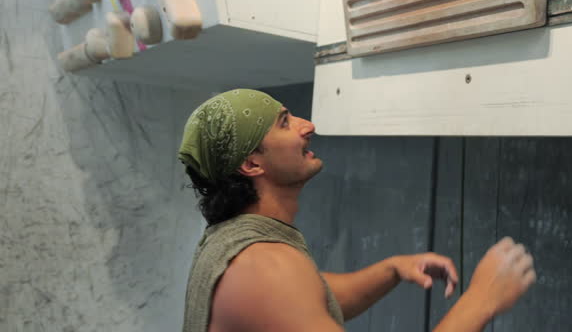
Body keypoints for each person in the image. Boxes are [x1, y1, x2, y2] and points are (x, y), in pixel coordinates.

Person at [178, 89, 536, 332]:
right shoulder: (263, 267)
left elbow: (312, 296)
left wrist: (392, 269)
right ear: (252, 164)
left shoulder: (235, 238)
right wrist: (482, 299)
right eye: (285, 123)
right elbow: (285, 289)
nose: (308, 126)